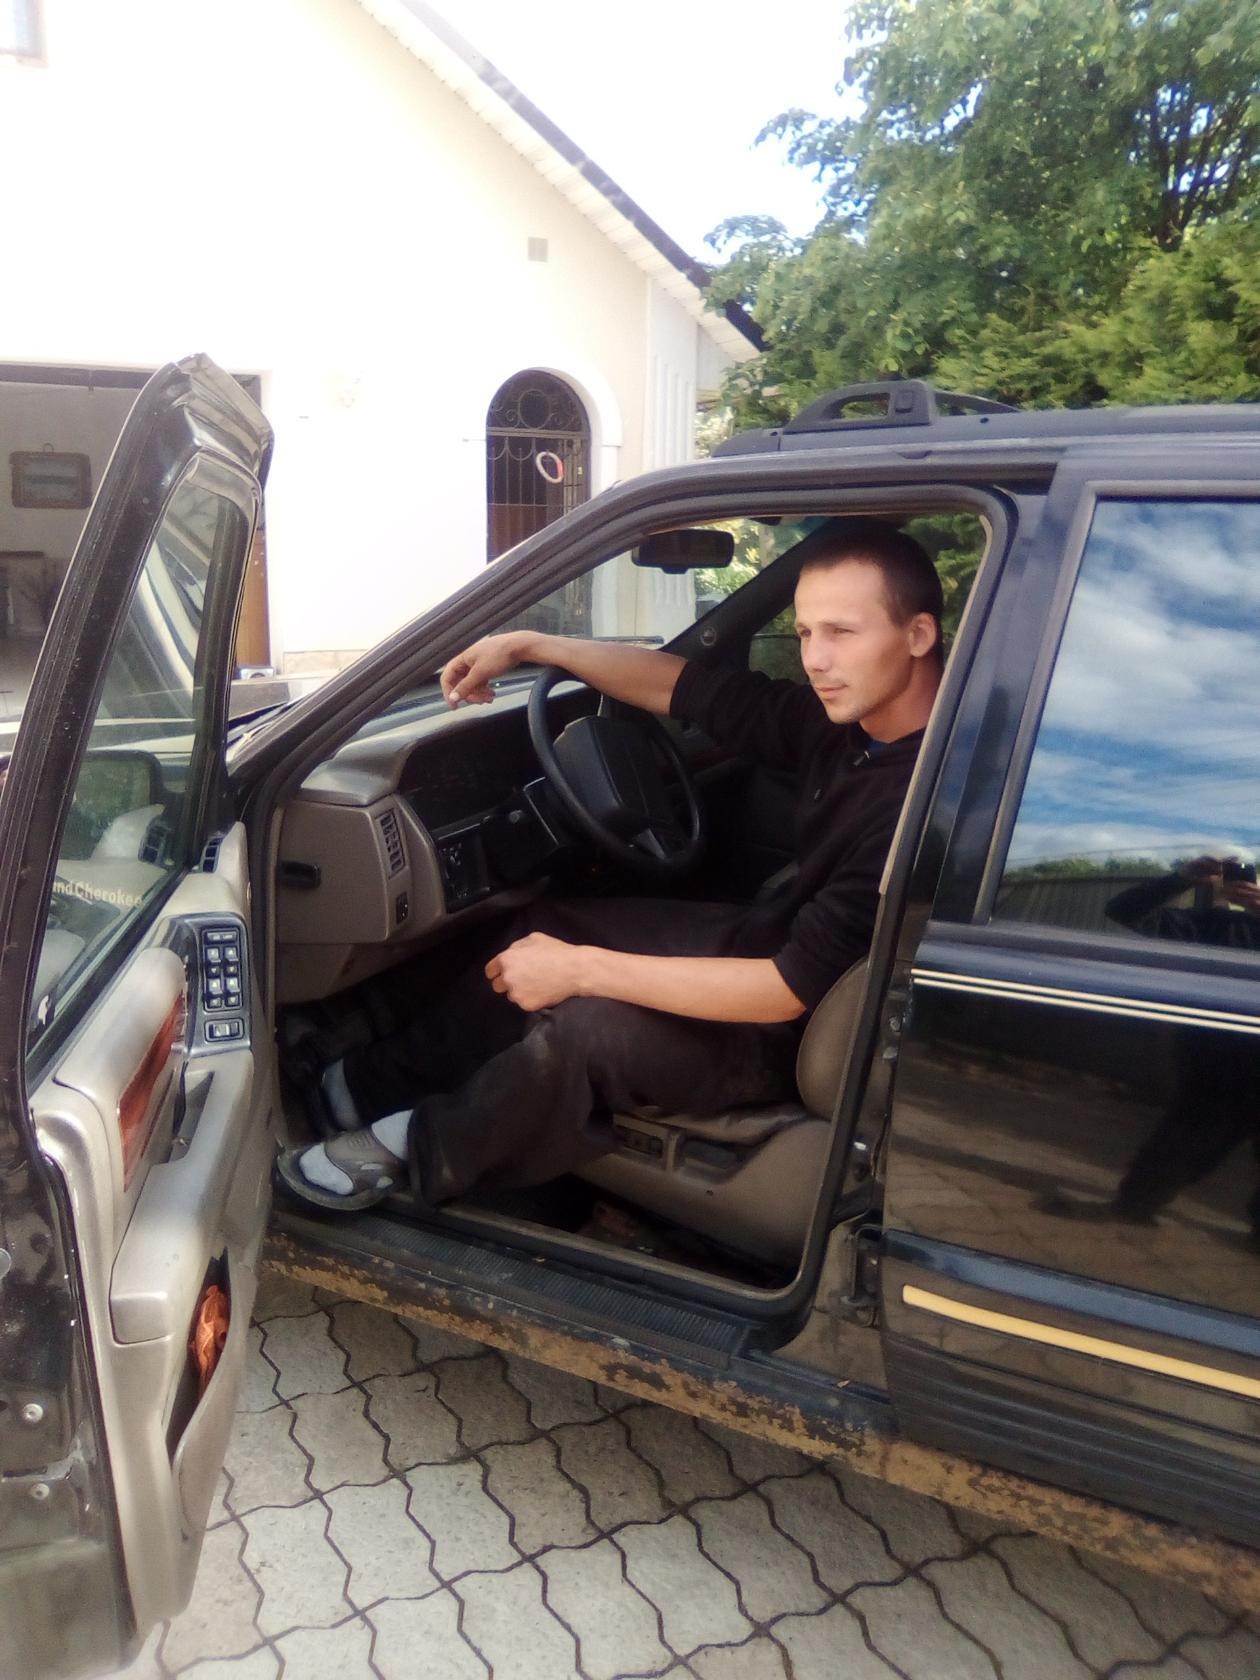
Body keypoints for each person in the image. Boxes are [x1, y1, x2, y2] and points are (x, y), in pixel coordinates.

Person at [276, 520, 944, 1212]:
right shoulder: (845, 727)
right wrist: (534, 645)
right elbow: (683, 686)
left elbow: (785, 992)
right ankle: (361, 1085)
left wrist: (580, 970)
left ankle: (412, 1146)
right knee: (542, 924)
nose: (815, 660)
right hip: (771, 936)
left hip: (800, 1032)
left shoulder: (924, 799)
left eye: (842, 633)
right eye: (804, 633)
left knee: (587, 1032)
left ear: (918, 635)